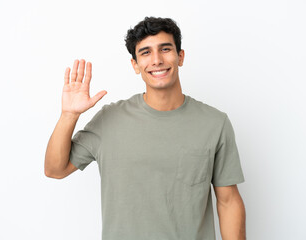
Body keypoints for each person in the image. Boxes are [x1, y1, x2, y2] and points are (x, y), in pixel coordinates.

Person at [45, 16, 246, 240]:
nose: (157, 60)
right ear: (135, 65)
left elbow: (228, 201)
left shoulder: (214, 123)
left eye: (165, 49)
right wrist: (68, 115)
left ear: (180, 56)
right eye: (146, 52)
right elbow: (55, 169)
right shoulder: (109, 120)